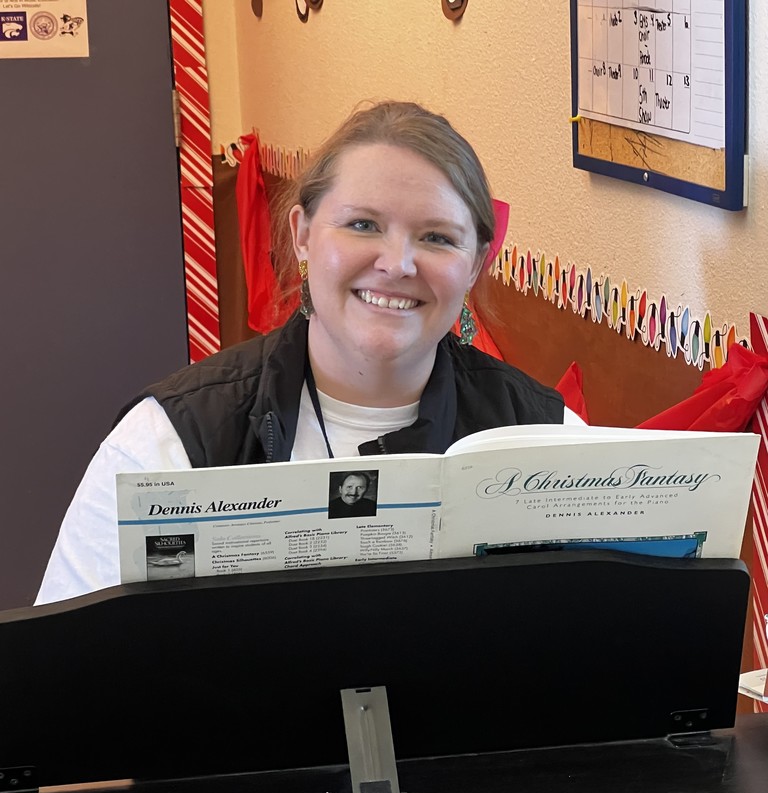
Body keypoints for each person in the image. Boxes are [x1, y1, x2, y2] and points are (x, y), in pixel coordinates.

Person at [36, 99, 583, 605]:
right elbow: (68, 672)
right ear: (302, 235)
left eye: (437, 237)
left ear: (476, 262)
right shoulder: (168, 442)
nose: (397, 264)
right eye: (362, 225)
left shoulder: (550, 435)